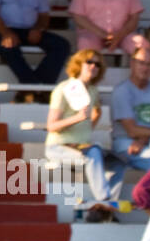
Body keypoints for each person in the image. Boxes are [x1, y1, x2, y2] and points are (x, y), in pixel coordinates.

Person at [46, 49, 124, 222]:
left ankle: (101, 209)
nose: (93, 66)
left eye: (97, 64)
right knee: (94, 152)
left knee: (117, 162)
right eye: (89, 62)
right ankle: (105, 203)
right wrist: (78, 118)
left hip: (81, 147)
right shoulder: (63, 89)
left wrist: (88, 126)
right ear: (78, 64)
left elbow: (95, 111)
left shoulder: (93, 91)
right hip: (58, 147)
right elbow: (51, 126)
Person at [111, 46, 150, 172]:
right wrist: (145, 137)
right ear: (132, 63)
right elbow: (132, 130)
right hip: (126, 144)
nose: (145, 68)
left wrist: (143, 140)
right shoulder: (122, 91)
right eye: (141, 63)